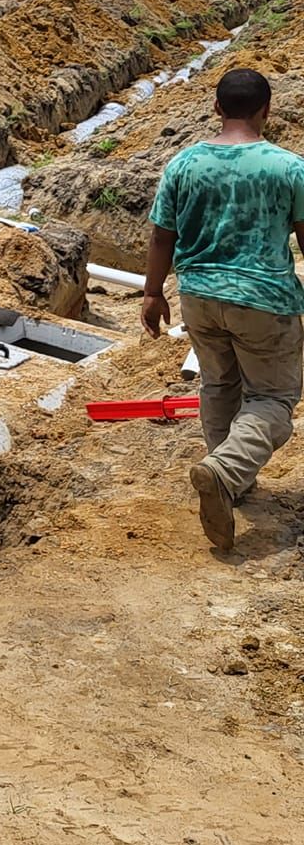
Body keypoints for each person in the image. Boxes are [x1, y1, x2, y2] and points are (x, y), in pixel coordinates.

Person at [142, 65, 304, 553]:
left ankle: (227, 480)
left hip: (198, 297)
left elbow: (161, 234)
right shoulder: (289, 167)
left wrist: (152, 293)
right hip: (263, 301)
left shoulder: (184, 164)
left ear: (216, 108)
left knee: (220, 383)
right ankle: (226, 470)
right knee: (274, 399)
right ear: (266, 111)